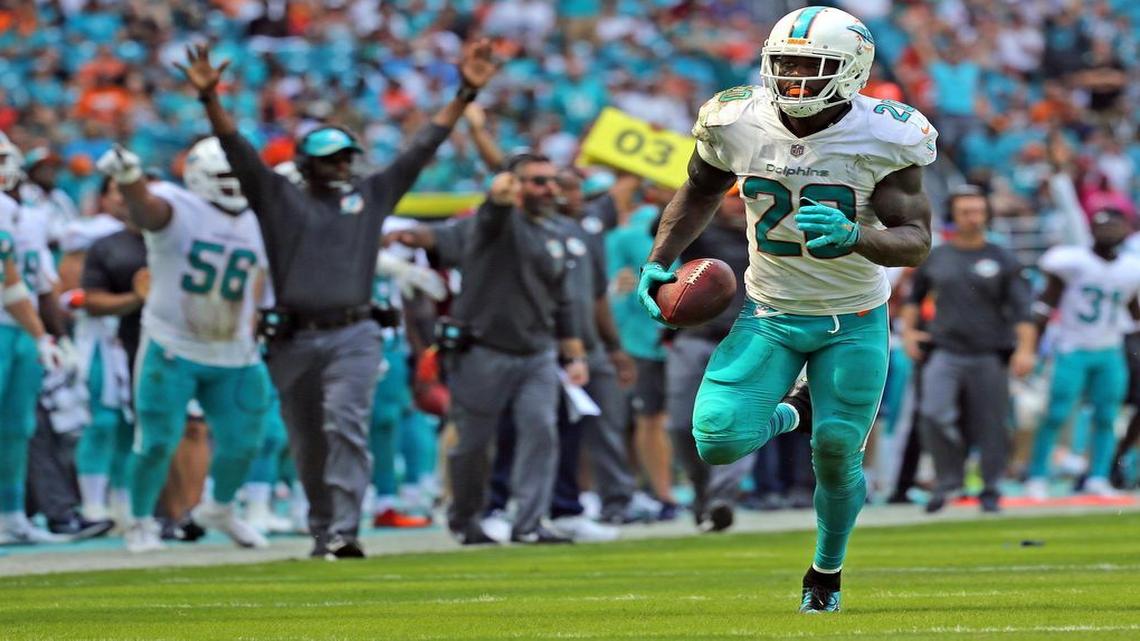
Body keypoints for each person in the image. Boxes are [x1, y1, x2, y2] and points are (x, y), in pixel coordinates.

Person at [636, 7, 937, 613]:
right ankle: (792, 411)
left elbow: (917, 240)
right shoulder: (735, 118)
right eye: (786, 65)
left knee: (836, 450)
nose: (795, 79)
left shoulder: (885, 134)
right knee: (717, 440)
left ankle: (826, 571)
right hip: (770, 310)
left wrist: (857, 235)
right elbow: (698, 189)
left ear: (851, 71)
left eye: (811, 66)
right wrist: (660, 258)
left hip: (853, 316)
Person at [178, 41, 500, 559]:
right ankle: (324, 527)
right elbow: (237, 148)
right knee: (307, 440)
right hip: (292, 336)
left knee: (344, 422)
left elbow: (422, 148)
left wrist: (464, 95)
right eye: (329, 159)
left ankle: (345, 530)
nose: (342, 166)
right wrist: (210, 99)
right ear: (305, 164)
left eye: (347, 157)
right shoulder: (277, 197)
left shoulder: (370, 196)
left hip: (354, 331)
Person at [393, 155, 589, 545]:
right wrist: (497, 200)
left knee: (541, 431)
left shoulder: (553, 233)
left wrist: (575, 355)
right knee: (473, 444)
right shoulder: (491, 224)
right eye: (537, 182)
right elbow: (490, 219)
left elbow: (561, 301)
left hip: (536, 352)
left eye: (551, 181)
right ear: (514, 187)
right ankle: (465, 519)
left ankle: (529, 523)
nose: (549, 189)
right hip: (482, 350)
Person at [96, 137, 272, 553]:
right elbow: (147, 210)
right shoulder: (178, 206)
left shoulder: (260, 218)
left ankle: (220, 508)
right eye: (223, 177)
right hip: (173, 345)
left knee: (245, 442)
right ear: (198, 177)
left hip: (234, 348)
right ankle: (140, 521)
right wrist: (130, 178)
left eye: (237, 176)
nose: (233, 185)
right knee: (156, 440)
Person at [900, 187, 1036, 514]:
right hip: (944, 350)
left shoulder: (1003, 258)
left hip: (989, 352)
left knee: (991, 423)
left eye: (978, 211)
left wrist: (1025, 350)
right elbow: (913, 300)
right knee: (933, 413)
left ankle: (990, 487)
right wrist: (908, 334)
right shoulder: (938, 256)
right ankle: (949, 480)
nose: (973, 218)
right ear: (953, 217)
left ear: (987, 214)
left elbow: (1023, 311)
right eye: (966, 212)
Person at [1024, 209, 1140, 500]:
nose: (1109, 233)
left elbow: (1134, 312)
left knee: (1106, 416)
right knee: (1057, 413)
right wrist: (1032, 345)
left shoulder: (1131, 268)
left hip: (1110, 348)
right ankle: (1037, 475)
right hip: (1072, 347)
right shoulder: (1072, 261)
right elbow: (1046, 304)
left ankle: (1098, 476)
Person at [662, 187, 755, 532]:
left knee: (737, 421)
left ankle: (722, 499)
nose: (739, 205)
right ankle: (703, 494)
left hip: (745, 341)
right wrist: (692, 194)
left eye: (745, 198)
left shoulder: (770, 238)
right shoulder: (703, 233)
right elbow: (663, 228)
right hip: (695, 337)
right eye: (731, 197)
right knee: (679, 424)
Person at [0, 136, 68, 545]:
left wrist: (50, 334)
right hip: (15, 325)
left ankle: (11, 515)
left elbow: (40, 280)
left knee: (17, 428)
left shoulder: (26, 212)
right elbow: (9, 284)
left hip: (18, 330)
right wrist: (44, 334)